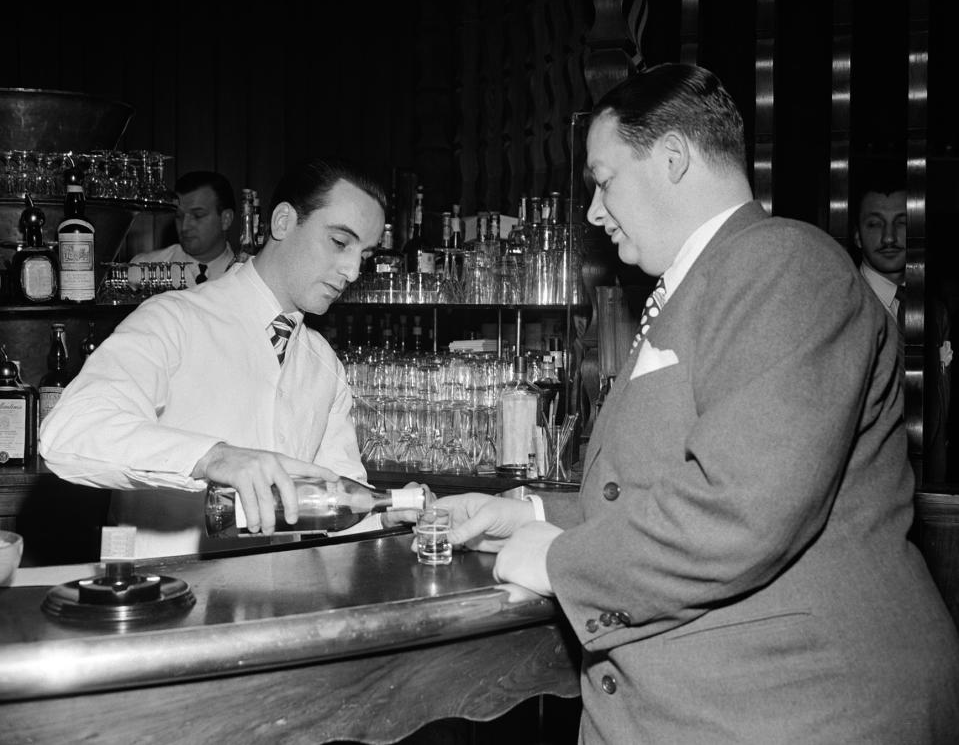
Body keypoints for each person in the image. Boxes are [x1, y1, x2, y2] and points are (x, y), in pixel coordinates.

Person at [435, 64, 959, 743]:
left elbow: (740, 509)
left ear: (673, 159)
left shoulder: (784, 264)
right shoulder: (714, 278)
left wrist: (554, 559)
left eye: (603, 179)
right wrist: (530, 512)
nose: (594, 211)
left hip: (796, 709)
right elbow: (665, 480)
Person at [39, 157, 419, 558]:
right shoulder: (173, 318)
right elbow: (69, 433)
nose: (353, 270)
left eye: (365, 254)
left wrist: (385, 519)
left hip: (278, 605)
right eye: (340, 242)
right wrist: (213, 457)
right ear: (284, 222)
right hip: (166, 600)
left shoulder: (324, 363)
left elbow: (333, 506)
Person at [852, 179, 952, 481]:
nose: (889, 237)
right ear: (856, 235)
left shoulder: (934, 311)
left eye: (902, 223)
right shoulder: (841, 305)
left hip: (932, 495)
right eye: (874, 224)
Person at [130, 170, 240, 287]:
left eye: (198, 216)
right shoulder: (144, 269)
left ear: (226, 219)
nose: (184, 226)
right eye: (179, 216)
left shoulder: (245, 274)